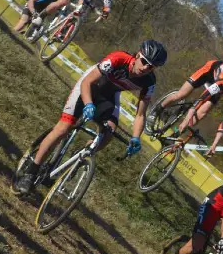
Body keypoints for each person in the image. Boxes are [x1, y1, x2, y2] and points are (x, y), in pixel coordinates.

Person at [13, 39, 167, 195]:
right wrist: (88, 104)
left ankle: (79, 157)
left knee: (108, 134)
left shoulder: (149, 82)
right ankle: (31, 172)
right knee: (63, 129)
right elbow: (87, 82)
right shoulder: (118, 58)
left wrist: (135, 137)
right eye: (144, 61)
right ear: (138, 55)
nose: (146, 67)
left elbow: (140, 114)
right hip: (90, 86)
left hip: (109, 96)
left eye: (151, 66)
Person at [148, 58, 223, 157]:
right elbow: (199, 101)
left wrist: (214, 145)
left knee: (203, 112)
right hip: (209, 71)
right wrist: (186, 120)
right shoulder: (222, 84)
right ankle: (156, 111)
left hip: (219, 83)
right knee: (181, 94)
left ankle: (174, 135)